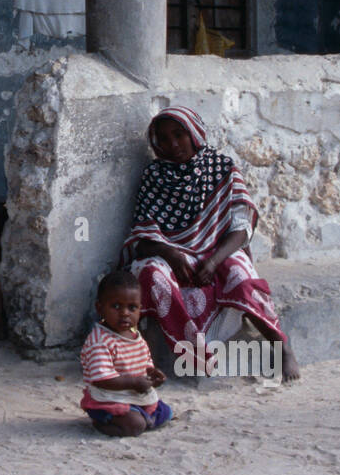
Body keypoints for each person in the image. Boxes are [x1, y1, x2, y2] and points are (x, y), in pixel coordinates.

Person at [119, 105, 300, 382]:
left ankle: (281, 344)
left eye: (179, 134)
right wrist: (171, 254)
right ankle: (191, 354)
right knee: (150, 273)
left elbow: (241, 231)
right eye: (165, 139)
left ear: (194, 133)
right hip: (171, 252)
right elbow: (142, 240)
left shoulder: (221, 169)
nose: (173, 144)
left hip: (219, 248)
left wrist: (214, 260)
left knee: (240, 274)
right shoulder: (153, 177)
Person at [79, 270, 172, 438]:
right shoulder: (100, 341)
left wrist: (152, 373)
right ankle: (101, 420)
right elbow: (102, 379)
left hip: (132, 393)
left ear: (140, 310)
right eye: (116, 306)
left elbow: (144, 361)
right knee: (135, 426)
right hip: (109, 397)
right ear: (99, 308)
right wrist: (134, 382)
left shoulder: (134, 334)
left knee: (165, 413)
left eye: (132, 307)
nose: (124, 313)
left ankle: (139, 414)